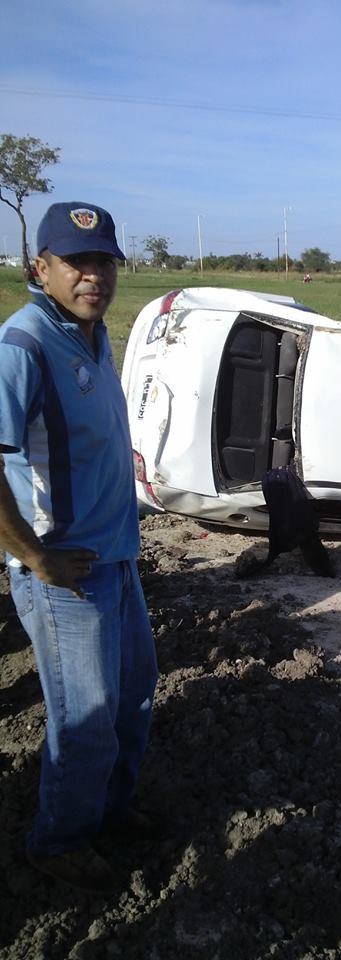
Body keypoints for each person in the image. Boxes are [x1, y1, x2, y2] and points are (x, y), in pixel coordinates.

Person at [0, 202, 158, 894]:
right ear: (42, 268)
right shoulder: (23, 345)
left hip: (115, 559)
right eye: (77, 262)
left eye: (103, 262)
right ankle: (59, 842)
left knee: (133, 697)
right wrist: (36, 558)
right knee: (85, 720)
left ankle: (109, 813)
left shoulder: (93, 337)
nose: (93, 275)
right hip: (65, 575)